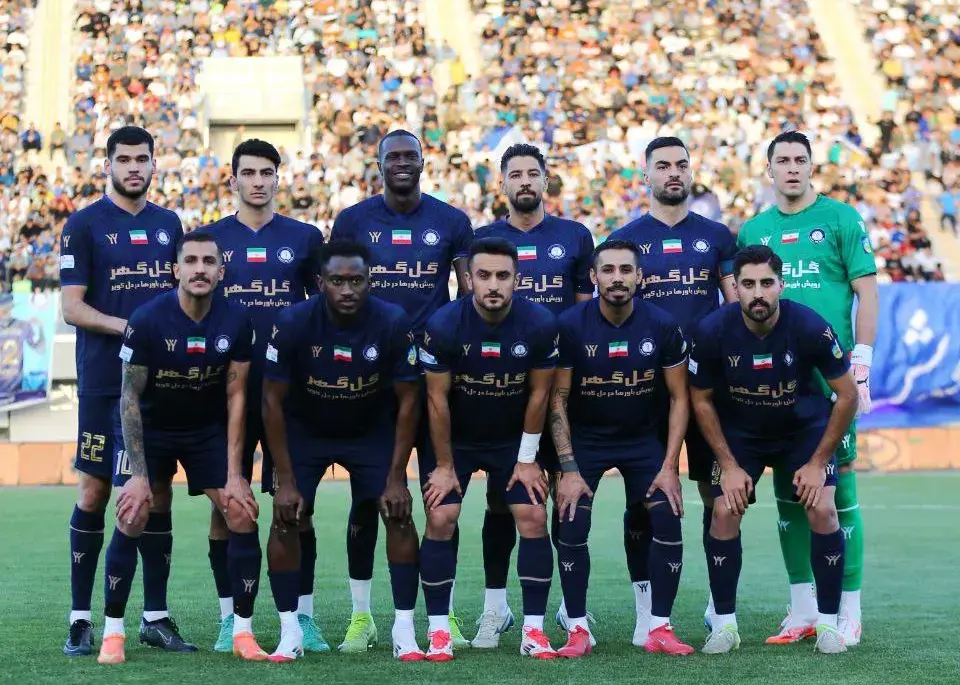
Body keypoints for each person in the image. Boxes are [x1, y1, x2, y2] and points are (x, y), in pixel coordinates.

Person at [330, 130, 473, 649]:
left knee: (441, 500)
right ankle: (362, 616)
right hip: (375, 381)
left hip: (435, 379)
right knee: (367, 499)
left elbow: (468, 293)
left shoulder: (452, 221)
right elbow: (338, 291)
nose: (402, 163)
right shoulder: (353, 221)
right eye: (393, 157)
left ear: (423, 162)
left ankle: (443, 614)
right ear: (379, 164)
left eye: (411, 155)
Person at [736, 131, 878, 646]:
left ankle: (847, 609)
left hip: (831, 379)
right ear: (769, 169)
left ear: (812, 167)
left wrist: (862, 361)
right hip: (774, 381)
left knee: (840, 489)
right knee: (787, 489)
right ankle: (801, 608)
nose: (792, 168)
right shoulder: (755, 230)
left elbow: (866, 291)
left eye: (800, 159)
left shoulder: (841, 219)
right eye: (783, 160)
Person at [97, 232, 262, 663]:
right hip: (149, 427)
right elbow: (129, 397)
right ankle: (113, 633)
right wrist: (137, 475)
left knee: (241, 511)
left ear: (222, 272)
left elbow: (237, 397)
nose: (199, 269)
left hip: (204, 430)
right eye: (190, 261)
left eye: (208, 261)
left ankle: (242, 633)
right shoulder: (147, 319)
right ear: (176, 270)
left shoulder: (237, 321)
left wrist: (235, 474)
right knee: (133, 511)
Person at [688, 245, 858, 655]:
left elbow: (847, 395)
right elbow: (701, 400)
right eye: (748, 284)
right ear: (735, 287)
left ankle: (828, 624)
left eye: (767, 283)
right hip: (741, 435)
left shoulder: (810, 326)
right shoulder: (712, 330)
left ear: (781, 285)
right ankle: (724, 626)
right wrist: (727, 464)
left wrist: (819, 461)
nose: (758, 293)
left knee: (823, 509)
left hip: (802, 431)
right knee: (723, 510)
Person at [261, 240, 423, 662]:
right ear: (320, 283)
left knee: (398, 514)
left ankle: (404, 629)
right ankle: (290, 631)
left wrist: (397, 477)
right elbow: (271, 401)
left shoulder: (392, 321)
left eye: (356, 281)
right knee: (285, 518)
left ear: (370, 281)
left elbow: (409, 399)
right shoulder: (293, 321)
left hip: (369, 430)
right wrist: (285, 479)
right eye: (337, 281)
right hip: (306, 431)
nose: (347, 289)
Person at [606, 136, 737, 645]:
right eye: (663, 166)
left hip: (705, 389)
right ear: (646, 176)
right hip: (646, 392)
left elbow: (733, 309)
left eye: (681, 164)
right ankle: (646, 612)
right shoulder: (625, 240)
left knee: (715, 496)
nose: (673, 173)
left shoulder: (717, 236)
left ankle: (718, 607)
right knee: (642, 499)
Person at [60, 126, 183, 657]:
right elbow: (72, 307)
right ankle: (80, 619)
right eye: (124, 159)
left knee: (157, 493)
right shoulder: (83, 225)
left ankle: (155, 616)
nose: (134, 167)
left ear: (154, 164)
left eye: (142, 159)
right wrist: (130, 327)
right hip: (104, 383)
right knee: (94, 492)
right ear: (107, 164)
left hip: (158, 384)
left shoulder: (169, 224)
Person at [199, 139, 325, 652]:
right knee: (225, 504)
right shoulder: (210, 239)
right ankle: (229, 617)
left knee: (297, 505)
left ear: (278, 178)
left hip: (287, 393)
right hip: (223, 391)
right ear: (232, 179)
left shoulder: (305, 238)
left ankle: (304, 617)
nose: (257, 181)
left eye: (265, 172)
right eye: (248, 172)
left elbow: (321, 310)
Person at [471, 143, 594, 649]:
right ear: (502, 183)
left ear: (546, 180)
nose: (525, 181)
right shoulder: (483, 239)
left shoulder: (574, 235)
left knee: (566, 496)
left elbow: (584, 313)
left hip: (561, 388)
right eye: (515, 174)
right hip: (503, 390)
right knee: (502, 501)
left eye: (532, 173)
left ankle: (568, 608)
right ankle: (495, 608)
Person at [548, 240, 693, 657]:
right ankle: (577, 629)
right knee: (570, 519)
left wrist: (670, 466)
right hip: (586, 440)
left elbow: (679, 397)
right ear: (594, 277)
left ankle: (659, 627)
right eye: (608, 270)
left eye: (626, 270)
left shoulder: (662, 325)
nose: (617, 278)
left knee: (666, 514)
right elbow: (558, 398)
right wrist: (567, 469)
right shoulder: (570, 325)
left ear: (639, 276)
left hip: (642, 440)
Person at [418, 237, 558, 661]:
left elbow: (540, 394)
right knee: (441, 516)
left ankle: (534, 631)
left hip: (510, 439)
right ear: (468, 279)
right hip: (456, 439)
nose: (493, 285)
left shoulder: (539, 323)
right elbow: (436, 399)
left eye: (502, 276)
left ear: (518, 279)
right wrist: (444, 465)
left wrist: (527, 459)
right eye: (483, 275)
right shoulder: (444, 325)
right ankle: (438, 631)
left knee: (533, 515)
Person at [0, 293, 46, 406]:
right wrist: (40, 328)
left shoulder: (23, 325)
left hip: (12, 386)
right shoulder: (23, 325)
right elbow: (40, 350)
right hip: (14, 386)